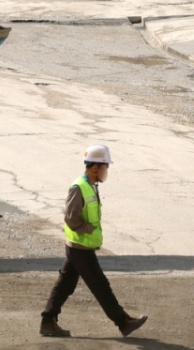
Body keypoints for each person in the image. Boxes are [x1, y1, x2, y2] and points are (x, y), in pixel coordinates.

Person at [40, 145, 147, 338]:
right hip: (80, 247)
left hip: (79, 246)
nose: (107, 171)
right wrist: (88, 229)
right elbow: (71, 218)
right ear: (95, 168)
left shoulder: (90, 186)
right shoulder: (79, 187)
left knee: (65, 285)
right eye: (106, 167)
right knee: (100, 285)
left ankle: (47, 322)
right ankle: (123, 323)